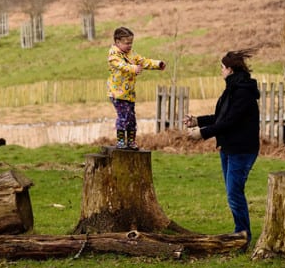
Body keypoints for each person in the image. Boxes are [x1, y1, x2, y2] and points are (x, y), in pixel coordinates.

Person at [183, 49, 261, 246]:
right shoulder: (232, 89)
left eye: (222, 68)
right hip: (228, 148)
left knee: (234, 194)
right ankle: (241, 233)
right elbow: (221, 117)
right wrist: (197, 121)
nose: (220, 71)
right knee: (232, 193)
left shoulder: (242, 93)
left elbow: (231, 122)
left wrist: (203, 133)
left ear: (231, 70)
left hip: (242, 150)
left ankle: (242, 236)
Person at [107, 26, 165, 150]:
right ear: (117, 42)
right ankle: (121, 141)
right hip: (117, 93)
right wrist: (134, 68)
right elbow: (122, 66)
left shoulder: (131, 54)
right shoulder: (113, 56)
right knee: (124, 116)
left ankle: (131, 142)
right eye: (127, 43)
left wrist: (157, 64)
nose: (129, 46)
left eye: (131, 43)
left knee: (132, 118)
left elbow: (143, 61)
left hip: (129, 94)